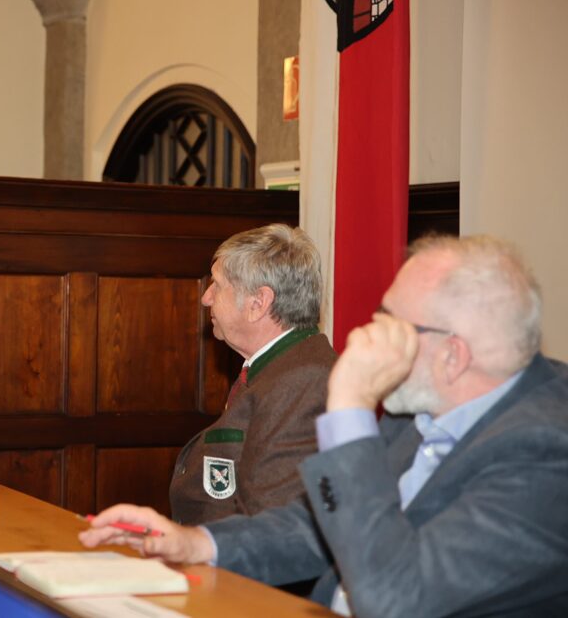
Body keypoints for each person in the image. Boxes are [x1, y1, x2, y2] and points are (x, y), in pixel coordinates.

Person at [81, 235, 568, 617]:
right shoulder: (423, 410)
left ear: (452, 356)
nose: (365, 336)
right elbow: (321, 526)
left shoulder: (546, 454)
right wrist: (195, 543)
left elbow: (396, 599)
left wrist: (350, 408)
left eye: (391, 324)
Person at [169, 224, 335, 525]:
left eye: (217, 285)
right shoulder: (275, 366)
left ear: (258, 303)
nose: (206, 297)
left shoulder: (304, 379)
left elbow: (273, 520)